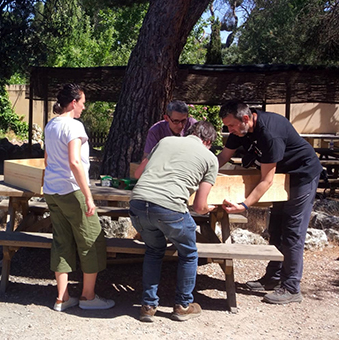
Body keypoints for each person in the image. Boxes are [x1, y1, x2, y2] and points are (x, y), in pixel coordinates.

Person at [217, 100, 323, 305]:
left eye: (230, 125)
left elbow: (266, 180)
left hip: (302, 176)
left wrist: (245, 205)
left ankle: (292, 287)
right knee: (275, 228)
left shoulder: (269, 133)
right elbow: (223, 157)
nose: (228, 130)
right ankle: (273, 278)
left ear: (245, 119)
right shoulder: (241, 130)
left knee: (292, 231)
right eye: (227, 126)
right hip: (283, 176)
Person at [130, 121, 219, 322]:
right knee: (188, 253)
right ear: (208, 141)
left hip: (138, 203)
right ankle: (182, 305)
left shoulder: (165, 141)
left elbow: (137, 174)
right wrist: (209, 208)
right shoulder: (210, 158)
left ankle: (148, 306)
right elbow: (199, 207)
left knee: (153, 251)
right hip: (170, 208)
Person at [43, 83, 114, 312]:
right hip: (71, 190)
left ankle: (62, 298)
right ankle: (88, 296)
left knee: (61, 241)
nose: (84, 107)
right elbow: (75, 162)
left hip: (51, 190)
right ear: (73, 102)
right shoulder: (73, 126)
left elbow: (47, 160)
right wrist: (88, 196)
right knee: (91, 240)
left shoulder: (51, 124)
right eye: (82, 103)